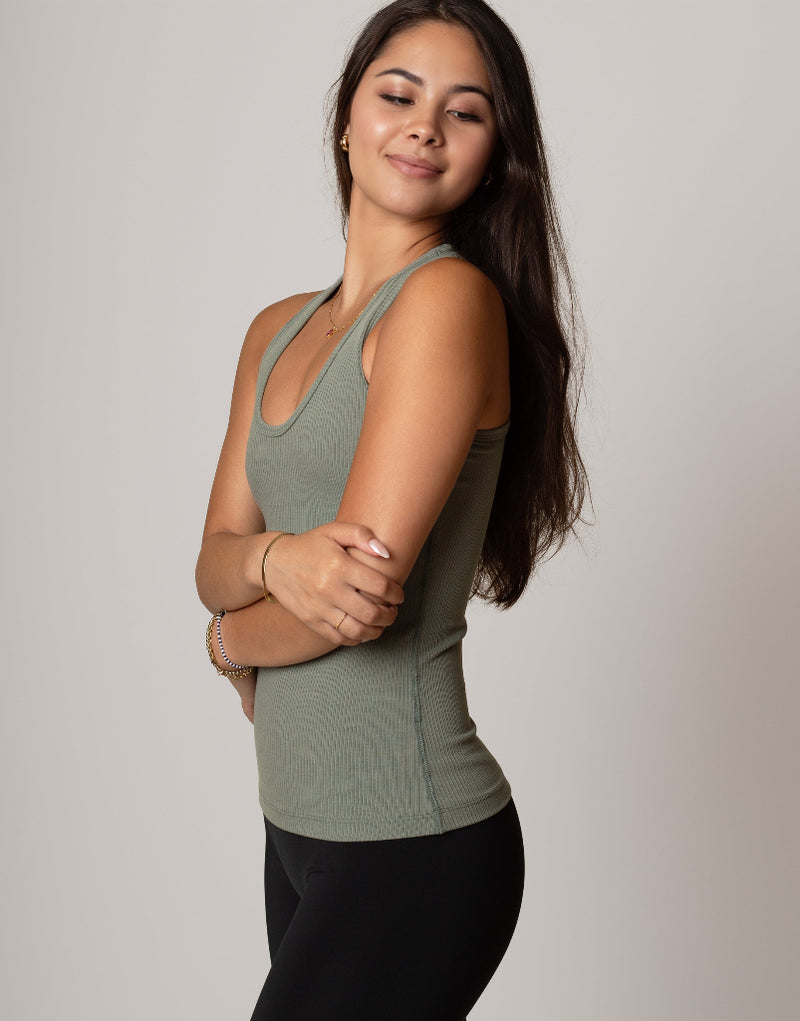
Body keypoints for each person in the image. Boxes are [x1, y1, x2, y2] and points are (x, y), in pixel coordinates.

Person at [195, 1, 588, 1017]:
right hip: (298, 831)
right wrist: (275, 565)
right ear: (347, 117)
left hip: (409, 842)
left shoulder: (445, 302)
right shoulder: (274, 331)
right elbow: (213, 553)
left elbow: (355, 604)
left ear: (494, 157)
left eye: (465, 112)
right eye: (398, 94)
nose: (423, 125)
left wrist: (231, 634)